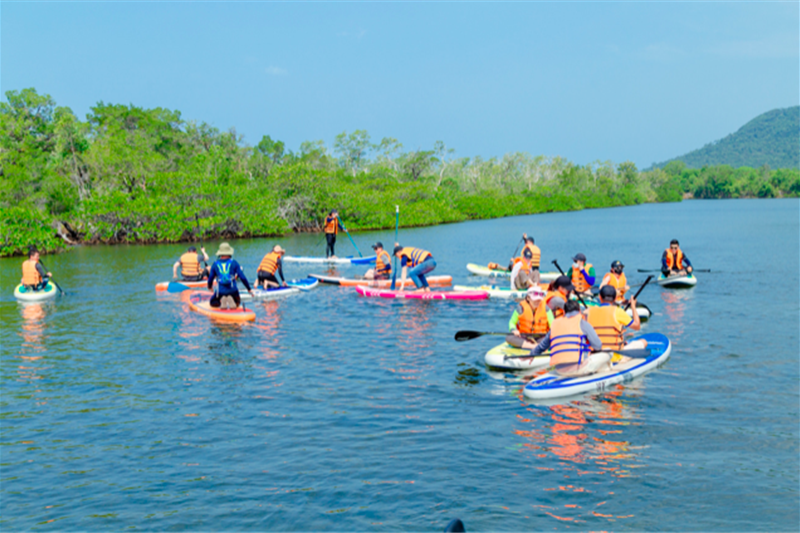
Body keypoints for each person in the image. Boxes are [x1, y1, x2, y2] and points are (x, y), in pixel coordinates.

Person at [529, 300, 606, 376]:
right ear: (579, 311)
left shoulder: (555, 324)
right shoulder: (583, 323)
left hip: (559, 370)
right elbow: (598, 346)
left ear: (564, 312)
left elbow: (542, 345)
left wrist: (532, 354)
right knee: (608, 352)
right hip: (579, 368)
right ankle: (604, 372)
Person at [586, 286, 641, 351]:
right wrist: (633, 306)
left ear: (600, 297)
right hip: (615, 355)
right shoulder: (618, 311)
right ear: (615, 299)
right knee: (643, 342)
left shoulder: (589, 312)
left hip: (595, 354)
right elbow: (637, 326)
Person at [207, 242, 252, 309]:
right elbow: (242, 277)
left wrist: (210, 287)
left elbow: (210, 278)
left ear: (220, 254)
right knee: (237, 303)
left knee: (213, 303)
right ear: (229, 253)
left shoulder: (215, 264)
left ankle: (222, 298)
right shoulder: (234, 262)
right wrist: (249, 289)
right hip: (233, 290)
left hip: (220, 291)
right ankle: (232, 298)